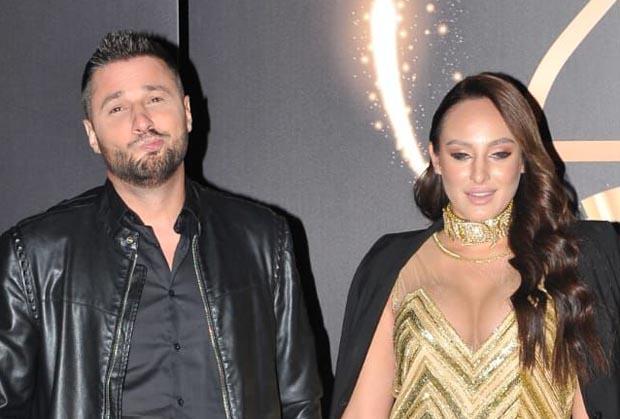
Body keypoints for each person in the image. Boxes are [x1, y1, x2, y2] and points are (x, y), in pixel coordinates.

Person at [0, 30, 322, 419]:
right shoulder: (33, 257)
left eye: (155, 99)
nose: (142, 122)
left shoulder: (264, 239)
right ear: (92, 134)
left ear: (187, 111)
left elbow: (300, 400)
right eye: (117, 108)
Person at [331, 73, 620, 418]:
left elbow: (593, 407)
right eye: (461, 155)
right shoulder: (392, 265)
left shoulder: (576, 258)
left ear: (523, 159)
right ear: (436, 158)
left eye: (499, 154)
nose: (479, 175)